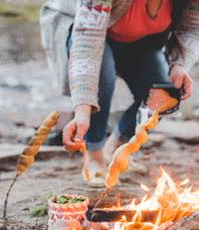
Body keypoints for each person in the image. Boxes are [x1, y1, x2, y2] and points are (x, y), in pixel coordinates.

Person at [40, 0, 199, 187]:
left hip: (141, 40)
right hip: (84, 31)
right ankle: (94, 155)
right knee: (101, 72)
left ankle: (116, 149)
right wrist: (82, 110)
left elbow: (193, 26)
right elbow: (87, 43)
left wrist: (179, 64)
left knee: (165, 95)